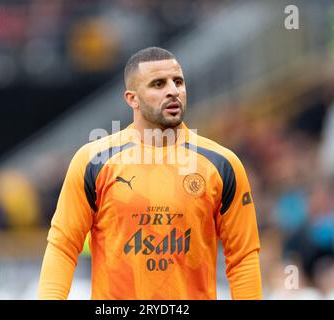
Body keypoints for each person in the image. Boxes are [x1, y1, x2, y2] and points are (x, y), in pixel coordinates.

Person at [38, 47, 262, 299]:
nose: (173, 91)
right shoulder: (94, 162)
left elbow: (243, 257)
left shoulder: (222, 164)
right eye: (158, 84)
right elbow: (62, 246)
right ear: (132, 98)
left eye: (178, 82)